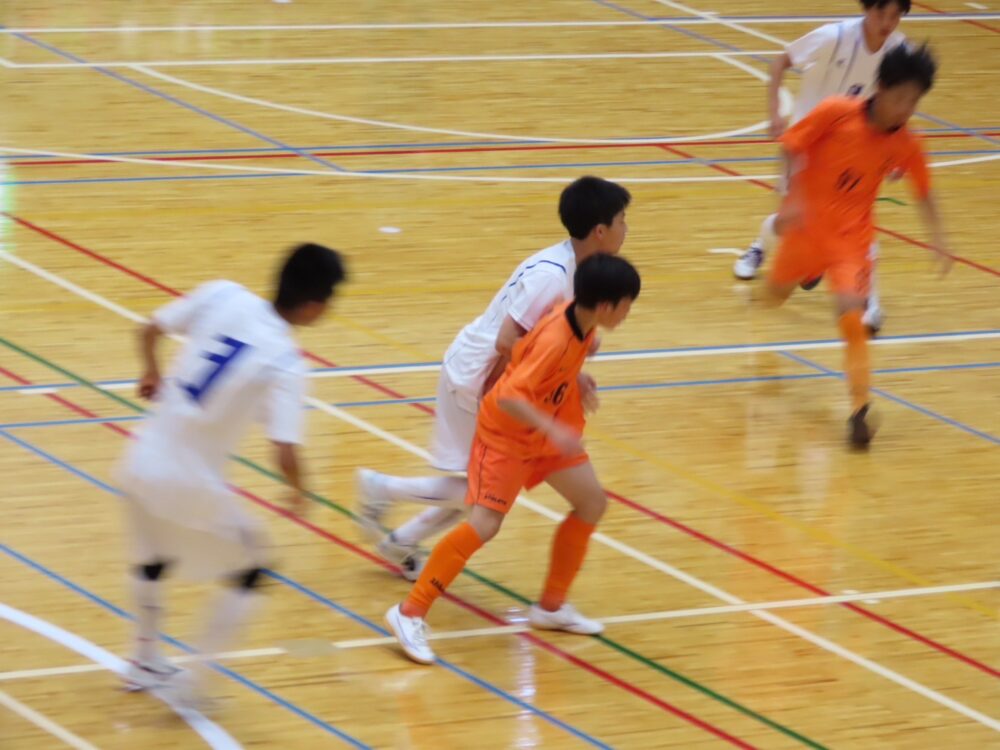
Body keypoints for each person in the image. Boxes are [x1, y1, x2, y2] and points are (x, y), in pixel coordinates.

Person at [356, 176, 630, 580]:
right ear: (600, 231)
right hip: (478, 378)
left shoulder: (577, 270)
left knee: (482, 493)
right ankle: (383, 489)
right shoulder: (554, 277)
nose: (627, 229)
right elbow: (507, 342)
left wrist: (572, 376)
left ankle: (400, 541)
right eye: (622, 220)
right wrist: (498, 398)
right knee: (484, 495)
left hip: (481, 376)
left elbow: (543, 346)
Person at [116, 242, 346, 706]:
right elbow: (285, 450)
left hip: (139, 457)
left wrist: (152, 373)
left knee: (153, 556)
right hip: (187, 483)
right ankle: (195, 684)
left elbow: (148, 330)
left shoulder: (224, 293)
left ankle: (143, 659)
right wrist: (300, 492)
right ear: (313, 305)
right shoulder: (286, 361)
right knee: (252, 570)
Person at [385, 253, 641, 664]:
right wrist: (553, 428)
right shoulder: (559, 337)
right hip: (506, 438)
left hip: (542, 435)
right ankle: (409, 612)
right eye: (627, 305)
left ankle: (551, 607)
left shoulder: (581, 321)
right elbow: (508, 397)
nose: (629, 313)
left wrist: (573, 378)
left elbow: (525, 354)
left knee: (592, 503)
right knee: (484, 525)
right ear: (607, 305)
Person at [763, 43, 950, 448]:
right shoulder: (836, 112)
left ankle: (859, 410)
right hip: (807, 230)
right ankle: (806, 268)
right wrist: (791, 199)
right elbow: (791, 146)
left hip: (852, 241)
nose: (906, 109)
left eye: (914, 102)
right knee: (772, 297)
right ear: (880, 87)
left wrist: (939, 238)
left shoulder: (907, 142)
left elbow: (923, 189)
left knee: (852, 317)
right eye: (900, 98)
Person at [734, 0, 911, 333]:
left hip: (854, 154)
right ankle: (761, 245)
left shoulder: (901, 51)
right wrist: (774, 111)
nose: (887, 23)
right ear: (866, 8)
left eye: (895, 16)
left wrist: (897, 151)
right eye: (881, 13)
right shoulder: (834, 37)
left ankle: (869, 303)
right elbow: (780, 62)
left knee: (858, 226)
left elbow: (901, 101)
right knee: (791, 222)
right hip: (806, 145)